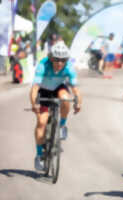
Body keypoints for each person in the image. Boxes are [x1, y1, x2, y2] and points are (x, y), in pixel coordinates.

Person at [30, 41, 82, 171]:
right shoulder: (43, 65)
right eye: (57, 60)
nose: (59, 63)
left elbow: (75, 89)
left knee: (65, 98)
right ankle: (39, 155)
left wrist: (79, 102)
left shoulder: (69, 67)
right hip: (44, 91)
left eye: (63, 60)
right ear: (51, 58)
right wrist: (34, 104)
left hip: (59, 88)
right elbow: (35, 88)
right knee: (41, 123)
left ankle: (62, 125)